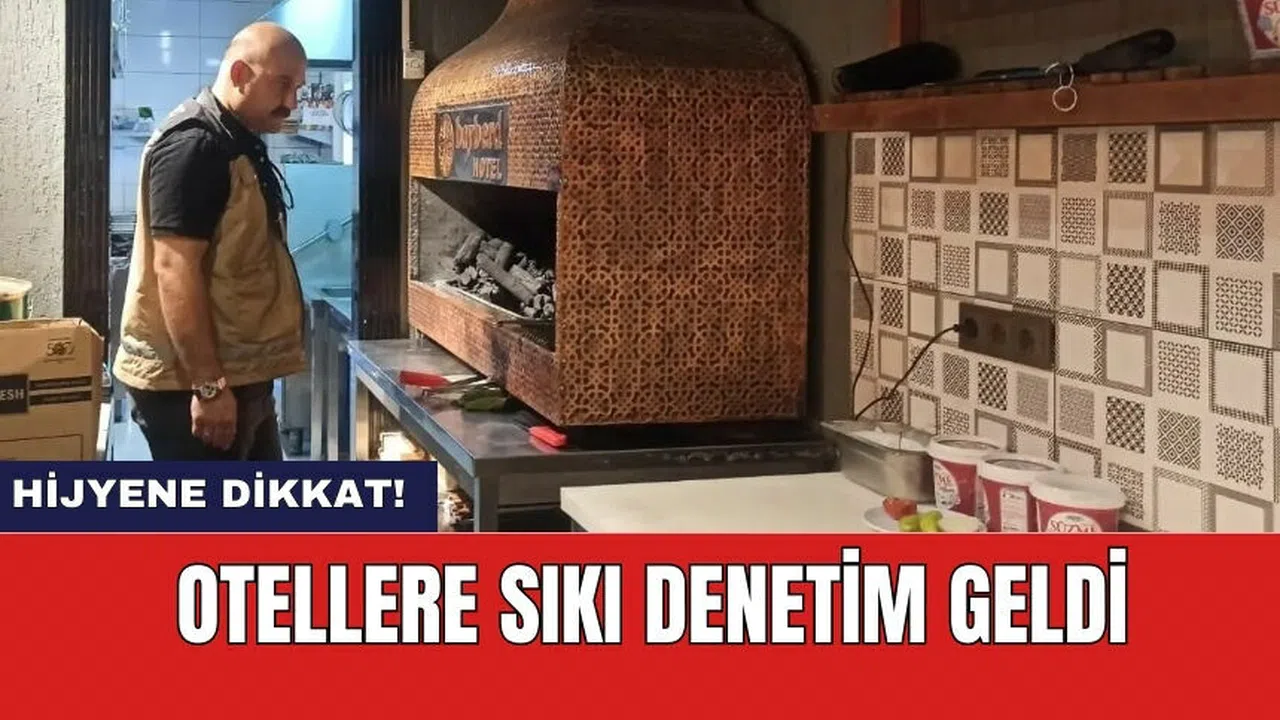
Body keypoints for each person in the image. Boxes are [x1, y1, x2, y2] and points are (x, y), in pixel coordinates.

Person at [112, 23, 309, 461]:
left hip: (236, 376)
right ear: (240, 74)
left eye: (297, 87)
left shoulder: (233, 139)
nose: (292, 102)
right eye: (282, 84)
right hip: (194, 385)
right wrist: (209, 387)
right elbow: (174, 270)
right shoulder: (196, 145)